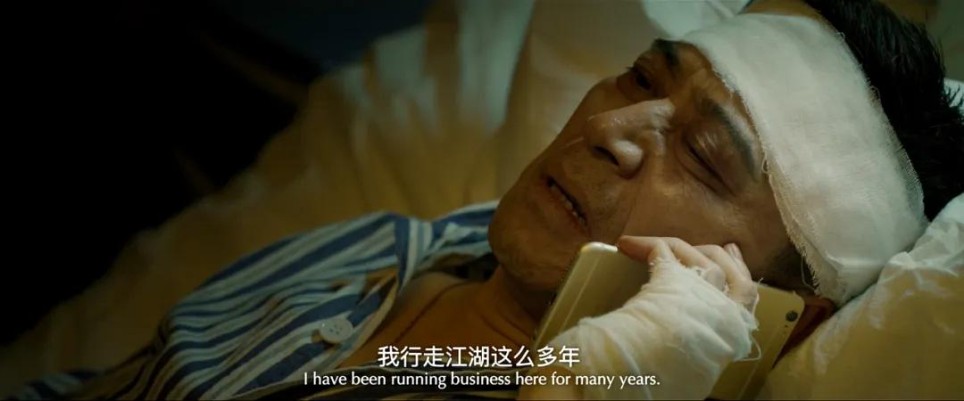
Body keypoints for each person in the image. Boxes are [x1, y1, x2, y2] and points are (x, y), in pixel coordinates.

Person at [10, 0, 962, 399]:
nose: (613, 126)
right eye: (640, 79)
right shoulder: (393, 252)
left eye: (707, 157)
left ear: (778, 316)